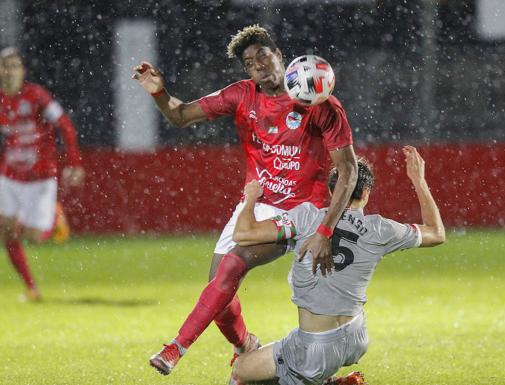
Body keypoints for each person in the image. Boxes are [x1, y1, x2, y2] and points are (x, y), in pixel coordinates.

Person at [132, 25, 358, 375]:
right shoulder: (242, 95)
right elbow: (180, 115)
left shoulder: (321, 104)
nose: (259, 66)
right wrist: (159, 93)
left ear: (279, 54)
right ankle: (245, 348)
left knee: (234, 264)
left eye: (264, 56)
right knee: (218, 295)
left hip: (302, 210)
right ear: (247, 72)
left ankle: (176, 347)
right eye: (250, 63)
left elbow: (348, 171)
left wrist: (325, 231)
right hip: (256, 205)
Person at [228, 146, 445, 385]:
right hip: (356, 338)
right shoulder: (381, 229)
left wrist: (251, 197)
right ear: (366, 194)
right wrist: (419, 180)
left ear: (333, 192)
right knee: (287, 357)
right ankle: (328, 379)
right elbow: (436, 233)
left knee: (241, 371)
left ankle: (322, 381)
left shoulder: (307, 217)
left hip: (314, 348)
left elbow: (243, 234)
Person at [0, 47, 85, 301]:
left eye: (14, 65)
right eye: (5, 65)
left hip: (41, 177)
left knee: (36, 237)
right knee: (6, 232)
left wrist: (75, 162)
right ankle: (32, 289)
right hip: (10, 175)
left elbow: (65, 125)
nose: (9, 71)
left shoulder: (36, 96)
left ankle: (55, 216)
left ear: (23, 70)